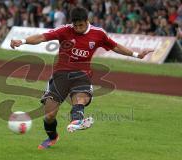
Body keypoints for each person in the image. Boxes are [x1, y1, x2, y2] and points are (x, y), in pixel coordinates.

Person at [10, 6, 153, 150]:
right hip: (61, 75)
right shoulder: (65, 30)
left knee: (80, 98)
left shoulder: (98, 34)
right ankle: (52, 137)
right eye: (75, 25)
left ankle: (76, 121)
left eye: (81, 25)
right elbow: (42, 37)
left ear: (87, 21)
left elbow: (115, 46)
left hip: (82, 75)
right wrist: (22, 41)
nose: (78, 28)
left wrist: (136, 55)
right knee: (49, 115)